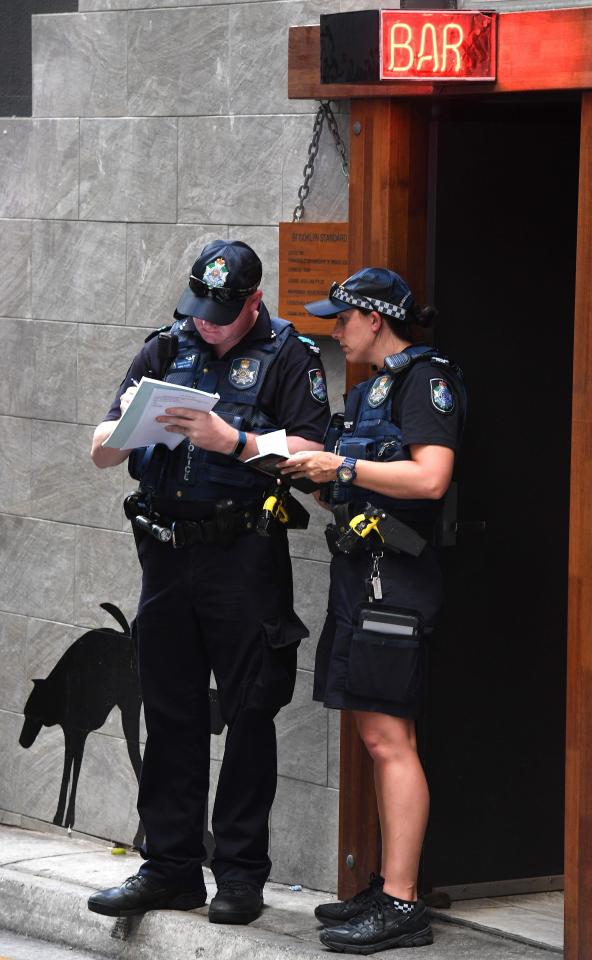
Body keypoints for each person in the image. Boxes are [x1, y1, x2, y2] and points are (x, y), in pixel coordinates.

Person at [87, 240, 329, 924]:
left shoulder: (290, 356)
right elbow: (100, 448)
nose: (208, 325)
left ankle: (241, 875)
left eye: (223, 314)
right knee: (170, 713)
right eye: (201, 311)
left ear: (254, 301)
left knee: (251, 712)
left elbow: (314, 453)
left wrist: (237, 443)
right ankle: (169, 868)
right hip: (165, 555)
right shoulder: (165, 349)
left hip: (244, 558)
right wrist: (132, 432)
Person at [280, 267, 466, 954]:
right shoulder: (367, 393)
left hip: (398, 581)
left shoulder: (427, 382)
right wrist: (309, 470)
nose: (336, 330)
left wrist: (344, 469)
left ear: (376, 317)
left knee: (392, 742)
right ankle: (389, 883)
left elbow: (430, 476)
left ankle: (402, 903)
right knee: (373, 739)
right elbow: (352, 485)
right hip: (359, 577)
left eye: (342, 318)